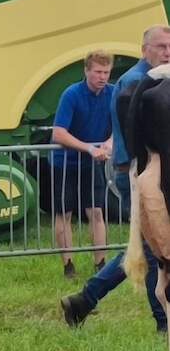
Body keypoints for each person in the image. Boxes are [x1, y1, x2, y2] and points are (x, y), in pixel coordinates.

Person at [62, 27, 170, 331]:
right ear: (144, 49)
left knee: (145, 247)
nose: (167, 52)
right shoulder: (139, 82)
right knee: (156, 249)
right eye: (160, 46)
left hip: (140, 170)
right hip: (140, 173)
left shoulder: (147, 79)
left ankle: (83, 300)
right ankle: (162, 320)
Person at [51, 51, 114, 279]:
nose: (102, 77)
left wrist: (109, 143)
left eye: (106, 72)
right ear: (86, 71)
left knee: (96, 212)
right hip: (64, 162)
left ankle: (101, 264)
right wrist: (89, 148)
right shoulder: (72, 94)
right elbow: (58, 133)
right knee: (64, 213)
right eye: (97, 71)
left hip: (93, 162)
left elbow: (119, 125)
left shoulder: (112, 93)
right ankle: (68, 265)